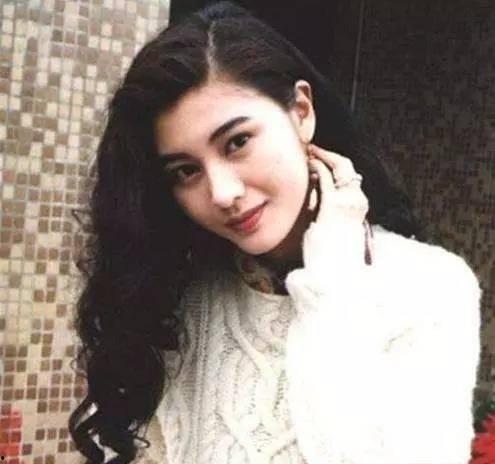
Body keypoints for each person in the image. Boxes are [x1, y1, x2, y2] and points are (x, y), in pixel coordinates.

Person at [68, 2, 482, 463]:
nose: (222, 193)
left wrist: (331, 278)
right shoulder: (183, 298)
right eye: (186, 171)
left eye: (237, 142)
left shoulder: (429, 288)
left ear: (301, 112)